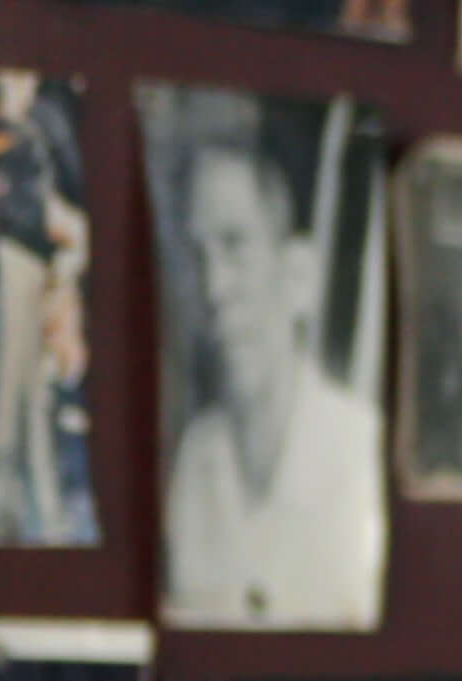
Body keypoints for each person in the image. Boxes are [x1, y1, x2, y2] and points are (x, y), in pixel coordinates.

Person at [160, 106, 384, 632]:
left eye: (236, 245)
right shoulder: (196, 465)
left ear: (297, 274)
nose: (215, 288)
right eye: (199, 256)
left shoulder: (359, 457)